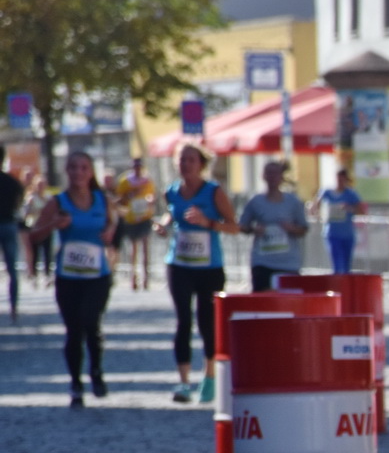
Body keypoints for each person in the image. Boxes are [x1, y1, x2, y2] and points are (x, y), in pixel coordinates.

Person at [156, 142, 240, 404]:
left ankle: (210, 376)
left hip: (209, 267)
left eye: (191, 160)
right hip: (179, 263)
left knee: (207, 323)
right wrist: (163, 224)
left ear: (201, 164)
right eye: (182, 160)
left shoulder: (213, 192)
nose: (186, 165)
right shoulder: (171, 192)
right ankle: (183, 382)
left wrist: (208, 223)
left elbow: (234, 227)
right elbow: (173, 215)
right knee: (182, 320)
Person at [29, 150, 115, 406]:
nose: (78, 173)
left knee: (91, 322)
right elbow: (34, 236)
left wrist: (110, 232)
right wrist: (53, 225)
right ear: (67, 172)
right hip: (68, 278)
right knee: (74, 330)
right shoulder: (58, 203)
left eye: (83, 168)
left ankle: (96, 371)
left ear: (91, 173)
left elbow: (113, 223)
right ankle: (76, 383)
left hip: (98, 276)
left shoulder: (102, 199)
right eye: (73, 168)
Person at [238, 160, 309, 292]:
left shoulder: (293, 202)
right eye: (269, 173)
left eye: (275, 173)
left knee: (289, 305)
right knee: (263, 304)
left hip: (288, 263)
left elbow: (304, 228)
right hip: (262, 262)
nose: (272, 177)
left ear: (282, 177)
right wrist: (254, 229)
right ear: (263, 176)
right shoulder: (256, 201)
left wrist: (291, 228)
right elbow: (242, 226)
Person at [113, 158, 156, 291]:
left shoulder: (147, 180)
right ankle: (134, 277)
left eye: (139, 167)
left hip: (144, 217)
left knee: (145, 248)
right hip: (131, 218)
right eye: (135, 167)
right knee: (134, 249)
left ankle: (146, 278)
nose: (137, 169)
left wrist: (150, 201)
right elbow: (118, 200)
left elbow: (152, 196)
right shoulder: (125, 181)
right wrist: (130, 195)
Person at [315, 169, 366, 274]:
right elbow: (315, 205)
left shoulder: (351, 194)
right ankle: (337, 285)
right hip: (332, 233)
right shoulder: (327, 192)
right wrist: (319, 215)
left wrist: (350, 208)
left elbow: (361, 210)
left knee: (346, 265)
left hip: (347, 234)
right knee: (337, 264)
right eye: (338, 179)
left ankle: (345, 288)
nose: (340, 182)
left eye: (342, 179)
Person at [0, 148, 21, 323]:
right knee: (12, 268)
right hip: (8, 224)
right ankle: (14, 306)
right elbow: (18, 203)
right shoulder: (12, 182)